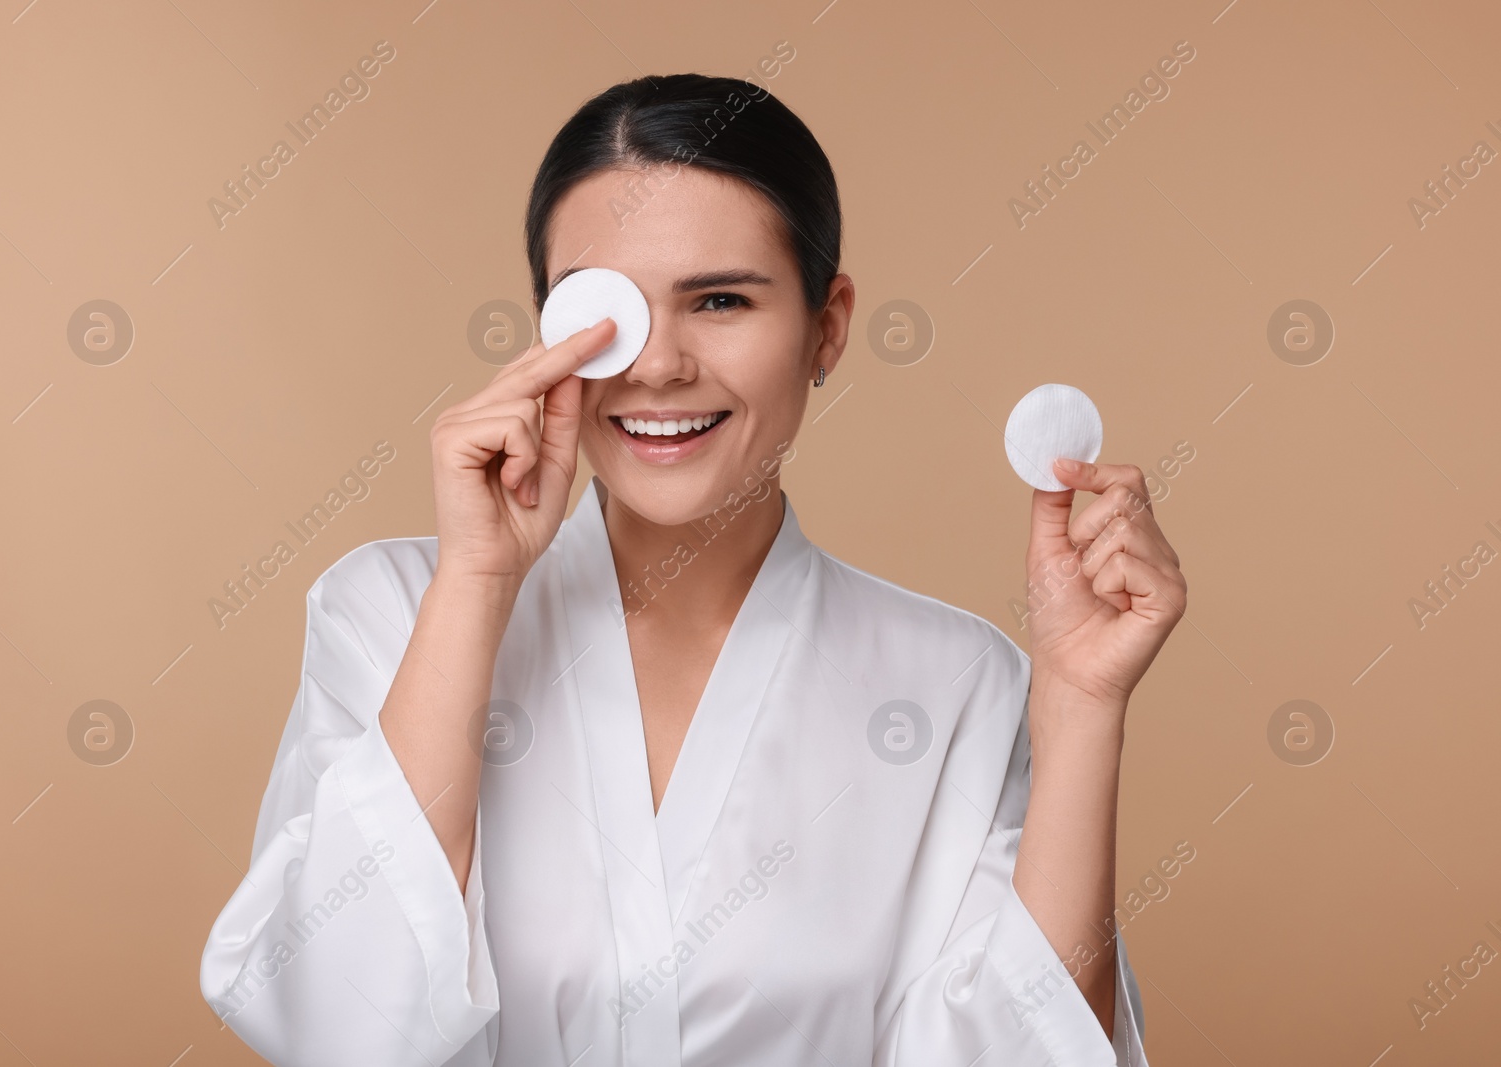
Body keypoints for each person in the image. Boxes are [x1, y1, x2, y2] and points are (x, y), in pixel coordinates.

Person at [200, 72, 1185, 1067]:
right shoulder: (392, 611)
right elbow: (334, 1025)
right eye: (605, 311)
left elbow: (1021, 1053)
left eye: (718, 299)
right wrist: (478, 585)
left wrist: (1081, 706)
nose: (657, 365)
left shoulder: (954, 678)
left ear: (827, 325)